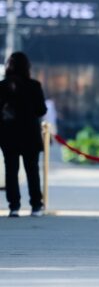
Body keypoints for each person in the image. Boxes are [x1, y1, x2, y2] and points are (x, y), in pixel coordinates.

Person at [0, 52, 47, 217]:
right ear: (27, 67)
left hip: (8, 134)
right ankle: (36, 206)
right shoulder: (34, 86)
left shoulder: (2, 86)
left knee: (11, 170)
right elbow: (41, 110)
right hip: (30, 134)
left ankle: (14, 206)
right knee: (32, 170)